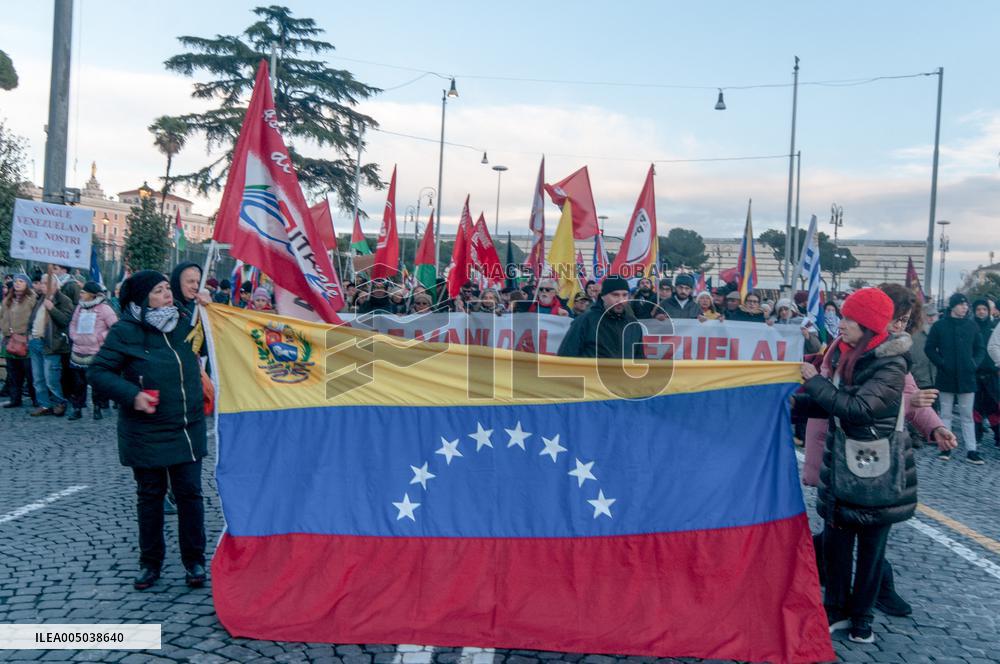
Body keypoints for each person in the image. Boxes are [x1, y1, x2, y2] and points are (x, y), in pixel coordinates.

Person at [793, 287, 915, 644]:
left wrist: (814, 382)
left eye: (849, 319)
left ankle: (862, 619)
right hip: (841, 468)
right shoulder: (843, 354)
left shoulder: (890, 364)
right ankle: (836, 610)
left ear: (868, 326)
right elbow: (830, 406)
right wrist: (791, 404)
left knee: (872, 552)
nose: (841, 323)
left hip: (878, 474)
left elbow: (858, 410)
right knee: (837, 546)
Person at [88, 270, 208, 591]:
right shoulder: (125, 331)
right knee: (151, 496)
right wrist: (133, 395)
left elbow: (214, 346)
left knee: (190, 494)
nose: (167, 294)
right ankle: (150, 563)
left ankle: (194, 561)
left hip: (187, 425)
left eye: (167, 288)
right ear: (143, 299)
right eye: (158, 290)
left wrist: (210, 311)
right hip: (145, 430)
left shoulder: (187, 322)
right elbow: (98, 372)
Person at [925, 293, 986, 464]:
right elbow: (929, 348)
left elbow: (980, 349)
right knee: (945, 414)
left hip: (967, 377)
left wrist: (973, 364)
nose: (964, 307)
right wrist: (941, 363)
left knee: (967, 415)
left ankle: (972, 450)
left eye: (966, 305)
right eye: (961, 304)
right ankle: (945, 448)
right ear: (952, 306)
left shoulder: (972, 326)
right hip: (946, 376)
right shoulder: (939, 326)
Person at [558, 276, 646, 359]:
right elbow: (566, 356)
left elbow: (639, 360)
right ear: (603, 296)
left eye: (625, 295)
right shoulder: (585, 321)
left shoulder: (633, 325)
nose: (621, 300)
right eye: (615, 295)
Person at [67, 282, 118, 420]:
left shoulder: (105, 309)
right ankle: (77, 408)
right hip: (78, 350)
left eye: (83, 292)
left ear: (92, 294)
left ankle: (97, 408)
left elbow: (115, 328)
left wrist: (99, 338)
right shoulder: (79, 308)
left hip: (95, 352)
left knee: (96, 383)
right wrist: (74, 336)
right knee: (78, 383)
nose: (80, 294)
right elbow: (73, 323)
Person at [26, 273, 74, 417]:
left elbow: (65, 321)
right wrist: (29, 334)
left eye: (45, 282)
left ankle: (60, 402)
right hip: (35, 341)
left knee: (51, 378)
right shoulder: (40, 299)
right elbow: (33, 318)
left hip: (51, 344)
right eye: (41, 282)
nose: (42, 285)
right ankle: (44, 404)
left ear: (55, 285)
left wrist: (52, 308)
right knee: (38, 378)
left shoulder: (64, 300)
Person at [1, 273, 37, 408]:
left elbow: (36, 318)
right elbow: (2, 316)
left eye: (21, 281)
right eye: (16, 281)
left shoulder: (32, 298)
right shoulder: (8, 299)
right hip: (9, 339)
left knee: (30, 372)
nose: (17, 283)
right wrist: (5, 329)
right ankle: (15, 399)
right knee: (13, 372)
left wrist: (29, 334)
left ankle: (36, 399)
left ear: (27, 284)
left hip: (25, 340)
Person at [971, 299, 999, 447]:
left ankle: (998, 436)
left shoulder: (995, 327)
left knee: (994, 406)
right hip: (974, 373)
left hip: (992, 373)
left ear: (989, 311)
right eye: (978, 309)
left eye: (984, 309)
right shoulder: (970, 327)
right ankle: (976, 435)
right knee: (976, 407)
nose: (981, 312)